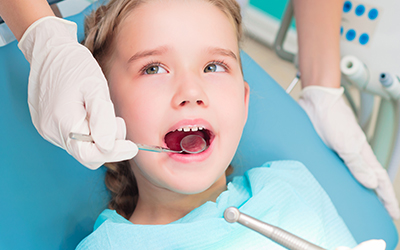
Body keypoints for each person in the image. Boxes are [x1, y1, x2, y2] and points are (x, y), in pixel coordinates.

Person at [50, 0, 386, 248]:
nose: (192, 91)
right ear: (102, 109)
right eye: (153, 68)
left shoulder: (288, 186)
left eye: (213, 66)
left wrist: (324, 85)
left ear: (243, 101)